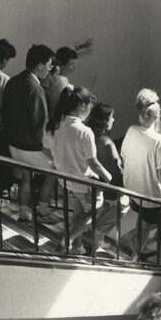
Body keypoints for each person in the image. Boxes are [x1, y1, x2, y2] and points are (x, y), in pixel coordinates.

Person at [42, 86, 112, 254]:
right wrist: (108, 176)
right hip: (85, 183)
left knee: (78, 213)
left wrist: (60, 162)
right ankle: (67, 240)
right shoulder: (84, 131)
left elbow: (45, 151)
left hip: (65, 180)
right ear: (82, 106)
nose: (89, 112)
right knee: (95, 212)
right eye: (89, 108)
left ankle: (78, 247)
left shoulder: (52, 125)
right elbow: (93, 163)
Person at [1, 43, 57, 223]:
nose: (50, 69)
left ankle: (23, 214)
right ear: (39, 65)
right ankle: (42, 210)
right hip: (31, 147)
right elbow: (40, 124)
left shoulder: (12, 81)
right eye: (49, 65)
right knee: (54, 171)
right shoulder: (36, 88)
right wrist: (49, 151)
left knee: (26, 176)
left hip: (13, 145)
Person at [119, 89, 161, 260]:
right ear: (156, 117)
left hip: (133, 187)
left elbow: (124, 156)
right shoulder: (159, 141)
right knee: (147, 225)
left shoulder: (131, 130)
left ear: (141, 115)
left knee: (142, 218)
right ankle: (135, 256)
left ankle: (134, 243)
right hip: (150, 192)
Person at [83, 103, 124, 255]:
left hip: (89, 182)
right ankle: (98, 234)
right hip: (106, 186)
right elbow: (116, 171)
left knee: (99, 208)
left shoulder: (87, 134)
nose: (114, 120)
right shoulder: (107, 143)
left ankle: (90, 230)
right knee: (123, 205)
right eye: (111, 117)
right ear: (104, 121)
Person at [46, 46, 78, 112]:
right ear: (61, 64)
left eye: (75, 63)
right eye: (71, 64)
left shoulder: (52, 78)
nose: (75, 67)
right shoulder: (61, 81)